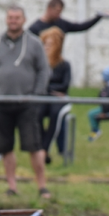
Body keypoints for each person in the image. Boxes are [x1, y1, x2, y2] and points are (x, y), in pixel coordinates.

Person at [0, 6, 51, 198]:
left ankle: (42, 187)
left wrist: (36, 94)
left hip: (26, 104)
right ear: (6, 19)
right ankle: (12, 187)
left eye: (17, 17)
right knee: (5, 147)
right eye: (10, 17)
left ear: (24, 19)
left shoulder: (34, 43)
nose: (13, 20)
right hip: (1, 104)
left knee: (34, 145)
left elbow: (43, 70)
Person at [37, 27, 71, 163]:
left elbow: (65, 85)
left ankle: (44, 150)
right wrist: (50, 89)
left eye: (50, 44)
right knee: (35, 114)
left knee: (55, 114)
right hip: (44, 98)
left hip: (58, 100)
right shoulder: (40, 64)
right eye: (44, 44)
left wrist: (47, 88)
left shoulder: (64, 65)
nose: (46, 47)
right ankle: (42, 149)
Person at [28, 0, 103, 37]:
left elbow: (81, 27)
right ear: (49, 8)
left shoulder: (61, 23)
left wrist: (98, 17)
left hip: (55, 61)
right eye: (57, 11)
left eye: (60, 12)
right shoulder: (34, 28)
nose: (59, 15)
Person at [86, 66, 109, 142]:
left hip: (108, 110)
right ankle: (95, 130)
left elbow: (105, 100)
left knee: (91, 114)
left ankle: (95, 130)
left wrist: (104, 112)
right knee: (93, 113)